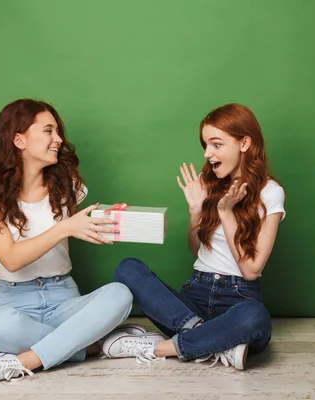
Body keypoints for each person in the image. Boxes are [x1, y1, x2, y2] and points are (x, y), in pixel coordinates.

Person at [0, 99, 139, 385]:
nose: (58, 139)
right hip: (13, 299)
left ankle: (25, 361)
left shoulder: (67, 185)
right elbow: (10, 258)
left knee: (120, 294)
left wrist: (114, 220)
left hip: (63, 296)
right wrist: (66, 228)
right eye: (48, 131)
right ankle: (92, 345)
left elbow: (85, 226)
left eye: (57, 132)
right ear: (19, 139)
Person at [102, 103, 286, 370]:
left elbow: (251, 270)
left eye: (216, 144)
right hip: (194, 297)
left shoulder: (271, 193)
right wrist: (195, 210)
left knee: (254, 317)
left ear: (244, 143)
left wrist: (225, 212)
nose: (208, 153)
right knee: (128, 269)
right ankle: (210, 340)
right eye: (205, 145)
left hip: (239, 297)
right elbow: (196, 248)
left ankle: (163, 347)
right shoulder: (208, 182)